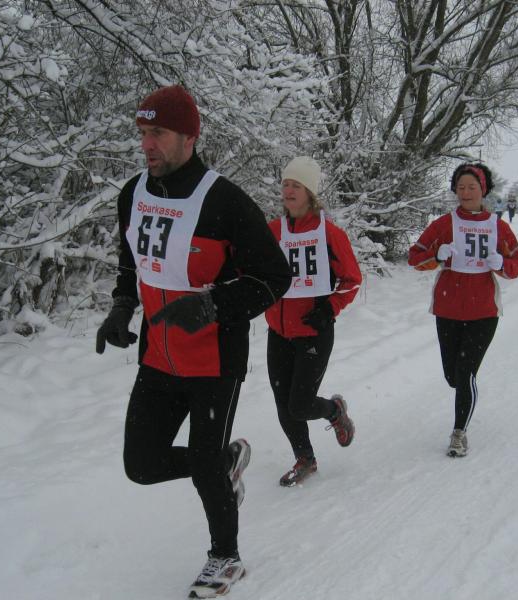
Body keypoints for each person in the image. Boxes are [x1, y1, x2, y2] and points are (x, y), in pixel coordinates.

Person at [95, 85, 291, 599]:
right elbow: (130, 259)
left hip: (214, 360)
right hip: (158, 356)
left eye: (157, 133)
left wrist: (212, 305)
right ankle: (221, 465)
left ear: (189, 136)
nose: (147, 144)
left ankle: (226, 557)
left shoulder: (224, 201)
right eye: (142, 133)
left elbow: (275, 277)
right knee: (141, 465)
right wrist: (122, 305)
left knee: (203, 464)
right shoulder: (132, 194)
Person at [408, 162, 518, 457]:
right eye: (460, 187)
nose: (466, 192)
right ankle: (462, 401)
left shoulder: (497, 226)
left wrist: (502, 264)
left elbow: (516, 264)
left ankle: (459, 433)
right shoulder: (444, 224)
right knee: (453, 376)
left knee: (465, 373)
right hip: (448, 309)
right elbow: (415, 257)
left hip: (483, 312)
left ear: (483, 190)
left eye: (472, 187)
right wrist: (436, 255)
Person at [264, 157, 362, 487]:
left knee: (301, 405)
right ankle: (305, 458)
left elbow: (352, 279)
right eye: (285, 184)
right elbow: (255, 270)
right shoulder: (273, 231)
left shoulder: (329, 234)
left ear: (310, 192)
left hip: (313, 332)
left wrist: (329, 308)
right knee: (284, 406)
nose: (289, 190)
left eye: (297, 185)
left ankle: (335, 411)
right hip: (278, 332)